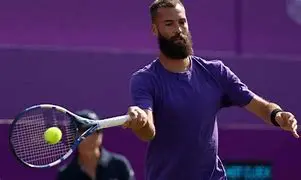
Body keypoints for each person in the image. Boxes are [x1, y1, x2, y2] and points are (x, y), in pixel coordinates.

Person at [123, 0, 299, 180]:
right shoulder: (144, 79)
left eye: (182, 22)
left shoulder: (216, 72)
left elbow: (260, 107)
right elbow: (148, 131)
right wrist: (141, 122)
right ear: (155, 30)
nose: (178, 29)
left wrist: (278, 115)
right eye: (169, 24)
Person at [57, 109, 135, 180]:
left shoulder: (119, 164)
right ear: (73, 136)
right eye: (84, 130)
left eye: (96, 130)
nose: (92, 135)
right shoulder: (65, 175)